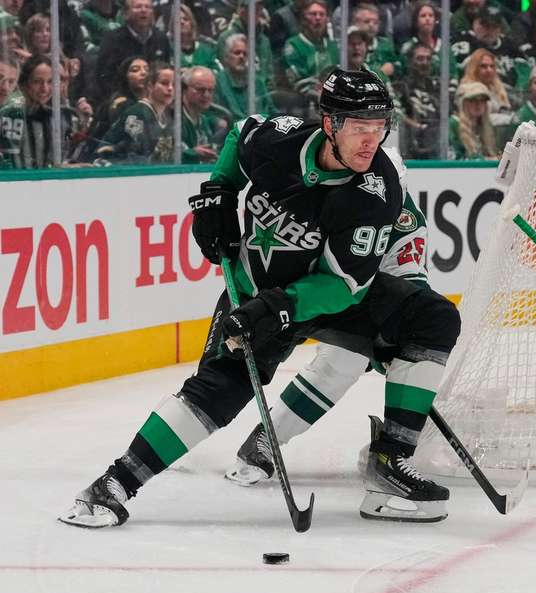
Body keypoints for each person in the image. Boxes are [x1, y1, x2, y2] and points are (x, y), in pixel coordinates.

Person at [58, 68, 460, 528]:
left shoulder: (376, 192)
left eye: (379, 128)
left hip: (328, 297)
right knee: (217, 391)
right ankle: (113, 484)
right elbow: (238, 133)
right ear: (329, 124)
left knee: (433, 318)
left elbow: (345, 285)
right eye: (359, 128)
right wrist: (219, 191)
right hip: (252, 293)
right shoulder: (279, 140)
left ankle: (390, 462)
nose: (372, 141)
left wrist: (285, 307)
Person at [224, 191, 430, 488]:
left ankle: (266, 439)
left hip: (350, 305)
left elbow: (410, 286)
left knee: (347, 359)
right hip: (292, 294)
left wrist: (395, 339)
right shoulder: (324, 188)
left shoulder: (407, 222)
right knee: (224, 373)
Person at [95, 62, 175, 164]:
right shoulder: (138, 113)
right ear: (150, 86)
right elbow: (138, 153)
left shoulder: (166, 116)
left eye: (174, 84)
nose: (170, 88)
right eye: (164, 83)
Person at [449, 80, 498, 160]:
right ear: (461, 103)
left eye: (482, 100)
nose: (478, 104)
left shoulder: (485, 128)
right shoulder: (452, 125)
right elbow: (454, 158)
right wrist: (487, 160)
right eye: (472, 100)